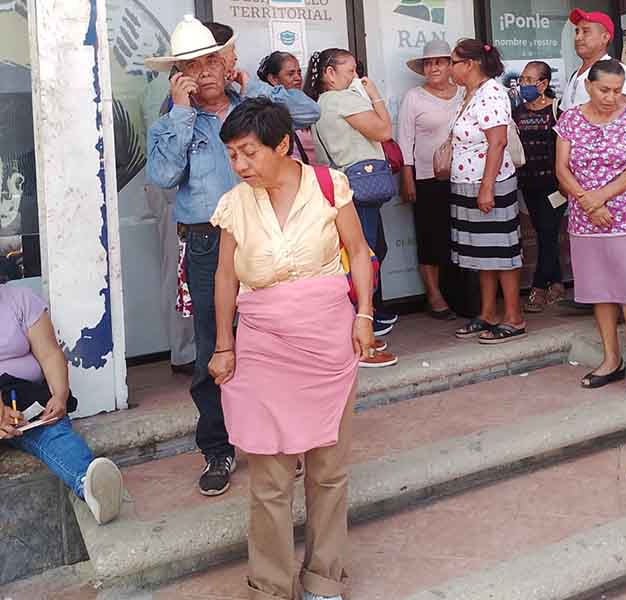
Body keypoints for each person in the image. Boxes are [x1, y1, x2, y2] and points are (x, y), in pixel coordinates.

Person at [145, 15, 320, 496]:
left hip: (266, 234)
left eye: (210, 61)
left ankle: (281, 438)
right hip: (207, 241)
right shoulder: (170, 123)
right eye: (190, 67)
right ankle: (217, 447)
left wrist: (257, 87)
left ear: (225, 63)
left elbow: (306, 114)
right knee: (213, 348)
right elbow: (163, 176)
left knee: (274, 343)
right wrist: (182, 113)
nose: (203, 73)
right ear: (177, 77)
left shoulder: (253, 107)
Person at [207, 97, 372, 600]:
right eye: (232, 155)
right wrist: (224, 345)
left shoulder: (328, 185)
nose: (240, 165)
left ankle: (324, 578)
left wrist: (364, 315)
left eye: (249, 152)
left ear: (281, 145)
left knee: (328, 471)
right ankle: (271, 587)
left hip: (329, 342)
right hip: (263, 347)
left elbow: (359, 252)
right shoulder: (235, 204)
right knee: (270, 478)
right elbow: (225, 277)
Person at [554, 59, 626, 400]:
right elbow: (562, 169)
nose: (611, 97)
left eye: (617, 90)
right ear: (588, 86)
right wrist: (588, 203)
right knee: (600, 290)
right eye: (604, 90)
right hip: (586, 220)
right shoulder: (570, 119)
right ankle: (611, 359)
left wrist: (600, 198)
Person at [0, 283, 123, 526]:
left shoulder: (19, 298)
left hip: (21, 400)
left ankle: (90, 485)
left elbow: (49, 353)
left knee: (53, 431)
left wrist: (59, 396)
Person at [304, 48, 398, 365]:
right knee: (364, 258)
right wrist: (374, 95)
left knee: (365, 253)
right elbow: (384, 131)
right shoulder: (340, 99)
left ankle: (362, 328)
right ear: (330, 74)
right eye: (350, 71)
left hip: (344, 188)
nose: (355, 77)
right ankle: (361, 337)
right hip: (359, 190)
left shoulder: (320, 103)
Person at [447, 39, 525, 344]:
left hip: (489, 183)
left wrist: (487, 187)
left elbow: (498, 142)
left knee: (501, 252)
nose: (450, 68)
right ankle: (488, 313)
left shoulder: (491, 92)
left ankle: (514, 317)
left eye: (453, 62)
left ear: (470, 64)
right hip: (468, 182)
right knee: (483, 254)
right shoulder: (469, 94)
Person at [397, 39, 463, 320]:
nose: (433, 68)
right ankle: (434, 296)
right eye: (428, 63)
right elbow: (405, 140)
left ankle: (461, 294)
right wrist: (407, 177)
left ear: (450, 66)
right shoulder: (414, 97)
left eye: (439, 62)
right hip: (426, 178)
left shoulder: (465, 93)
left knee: (458, 236)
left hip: (463, 177)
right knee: (430, 236)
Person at [513, 60, 565, 313]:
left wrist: (566, 182)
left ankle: (539, 287)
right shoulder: (518, 112)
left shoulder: (557, 110)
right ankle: (557, 282)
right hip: (528, 184)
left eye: (528, 80)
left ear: (543, 84)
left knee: (547, 232)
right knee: (544, 233)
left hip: (555, 186)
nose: (523, 84)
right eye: (522, 79)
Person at [560, 9, 626, 112]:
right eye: (577, 32)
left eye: (585, 31)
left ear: (605, 37)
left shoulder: (616, 70)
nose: (578, 37)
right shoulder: (575, 75)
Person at [258, 51, 317, 165]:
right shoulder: (268, 110)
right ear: (273, 79)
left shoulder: (303, 103)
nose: (298, 78)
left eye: (299, 72)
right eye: (290, 74)